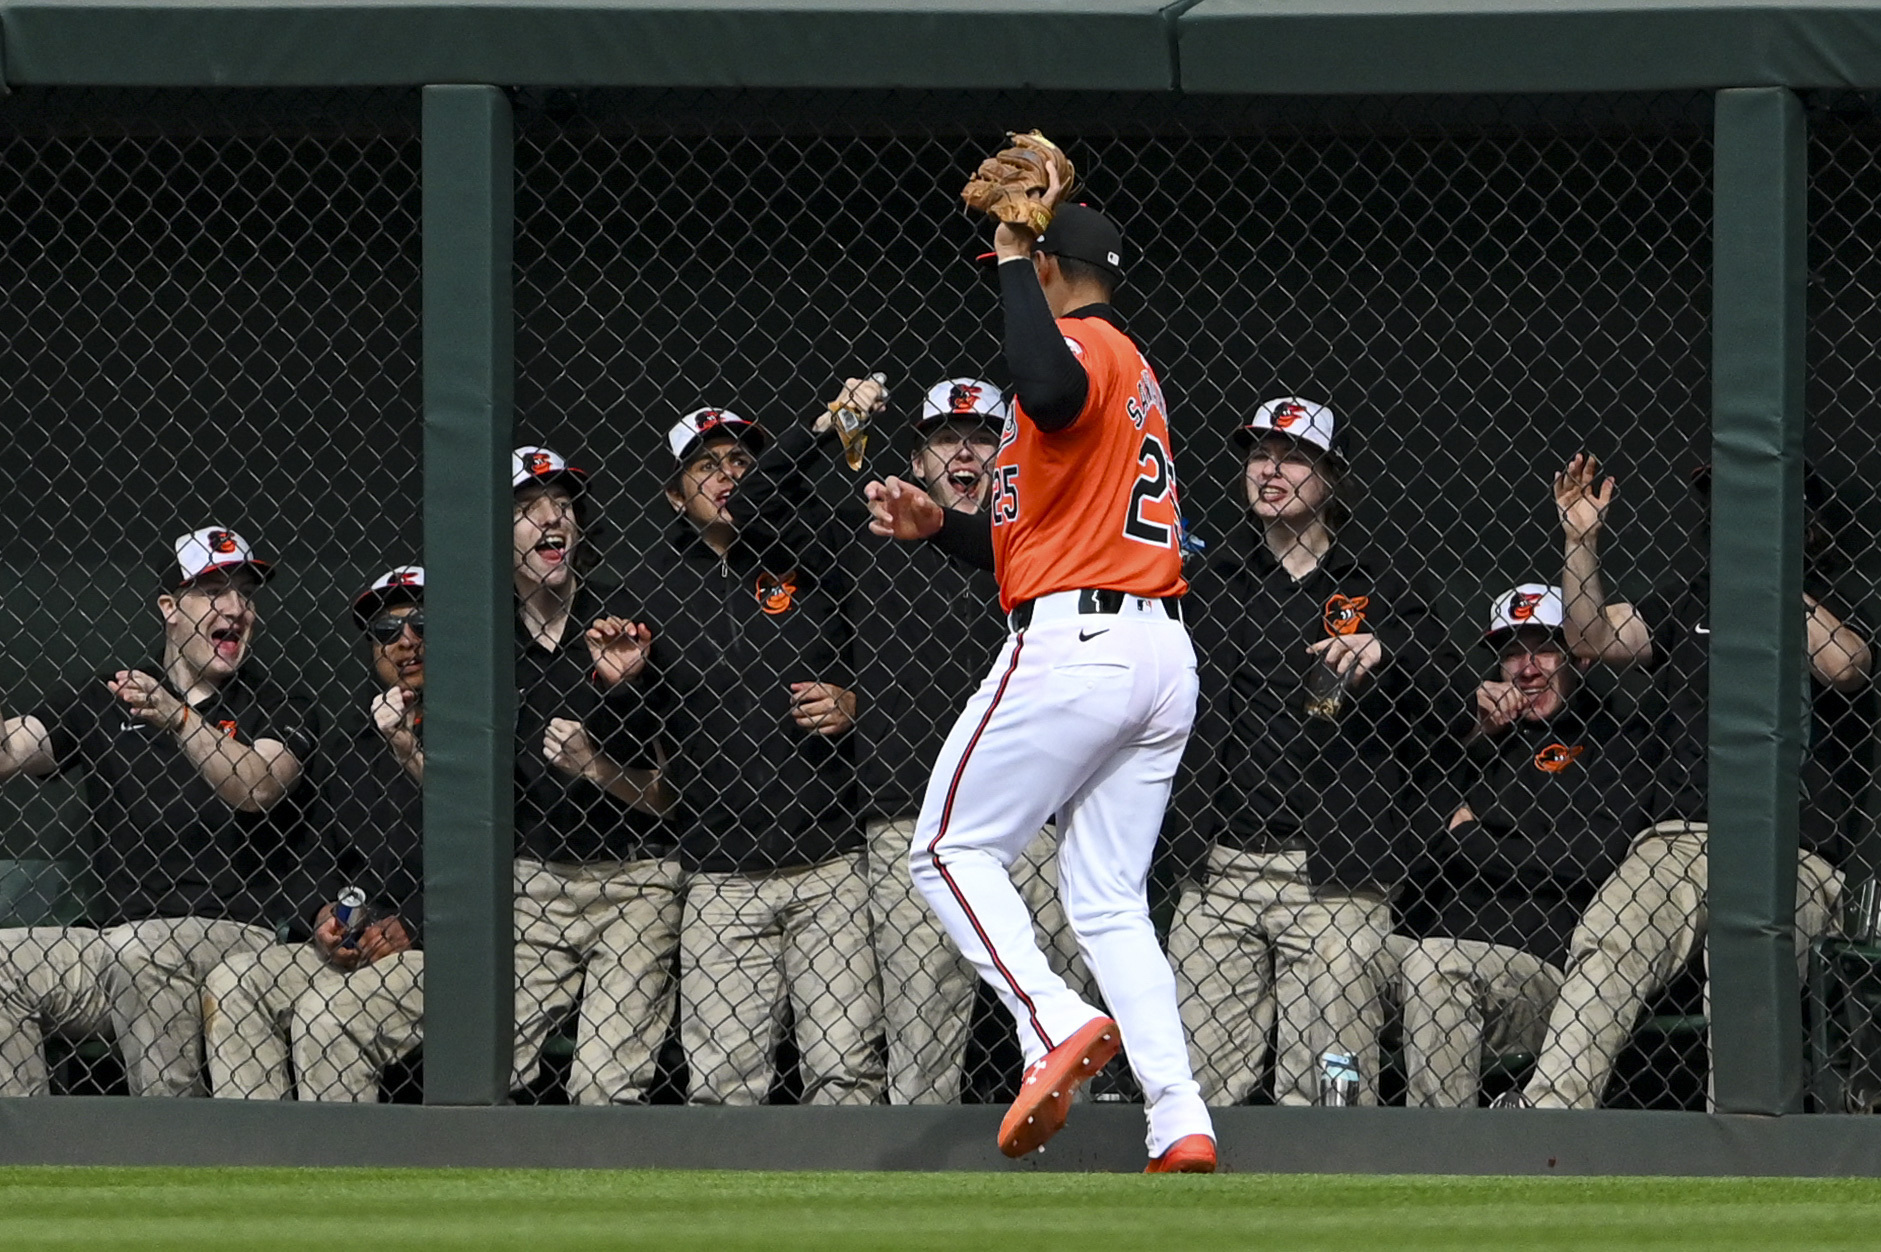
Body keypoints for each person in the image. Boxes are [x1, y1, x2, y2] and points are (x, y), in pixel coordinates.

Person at [866, 201, 1214, 1171]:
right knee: (1106, 895)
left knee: (942, 850)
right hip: (1156, 652)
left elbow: (1046, 385)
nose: (1008, 278)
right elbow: (1036, 541)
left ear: (1053, 268)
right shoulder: (1131, 371)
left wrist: (1017, 262)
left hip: (1081, 648)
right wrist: (941, 528)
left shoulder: (1084, 348)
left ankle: (1052, 1017)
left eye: (1020, 266)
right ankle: (1180, 1117)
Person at [730, 375, 1096, 1105]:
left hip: (1033, 820)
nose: (964, 451)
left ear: (1011, 452)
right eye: (944, 438)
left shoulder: (1042, 540)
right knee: (920, 1044)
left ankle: (1073, 1171)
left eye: (984, 436)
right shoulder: (873, 533)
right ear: (918, 458)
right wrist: (830, 424)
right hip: (912, 818)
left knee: (1060, 1027)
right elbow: (751, 509)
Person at [1509, 455, 1871, 1108]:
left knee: (1746, 968)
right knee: (1610, 934)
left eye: (1756, 505)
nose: (1735, 517)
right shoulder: (1691, 597)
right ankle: (1548, 1119)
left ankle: (1740, 1133)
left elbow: (1844, 665)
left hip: (1789, 849)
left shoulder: (1833, 595)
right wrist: (1580, 540)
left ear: (1800, 522)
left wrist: (1771, 575)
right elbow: (1587, 634)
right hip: (1678, 838)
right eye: (1726, 503)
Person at [1163, 398, 1451, 1108]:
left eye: (1291, 456)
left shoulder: (1382, 579)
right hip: (1219, 864)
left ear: (1332, 476)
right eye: (1257, 454)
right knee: (1194, 1091)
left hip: (1332, 874)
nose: (1269, 469)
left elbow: (1450, 703)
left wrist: (1390, 652)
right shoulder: (1208, 580)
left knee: (1330, 1091)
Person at [0, 527, 319, 1096]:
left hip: (236, 939)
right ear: (171, 608)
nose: (237, 608)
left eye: (246, 592)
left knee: (143, 947)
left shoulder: (279, 702)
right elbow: (20, 744)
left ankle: (173, 1139)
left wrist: (179, 719)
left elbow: (259, 787)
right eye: (213, 591)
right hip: (115, 948)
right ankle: (31, 1151)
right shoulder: (109, 693)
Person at [630, 407, 884, 1106]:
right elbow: (628, 737)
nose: (727, 477)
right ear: (674, 494)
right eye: (706, 467)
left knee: (846, 1074)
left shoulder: (812, 554)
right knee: (720, 1089)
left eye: (740, 463)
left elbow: (896, 661)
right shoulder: (648, 588)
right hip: (719, 871)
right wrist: (617, 684)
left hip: (828, 857)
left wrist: (856, 703)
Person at [1342, 584, 1648, 1106]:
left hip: (1538, 974)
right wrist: (1468, 745)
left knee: (1438, 966)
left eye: (1544, 648)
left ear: (1577, 652)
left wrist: (1470, 839)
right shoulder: (1473, 743)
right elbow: (1405, 849)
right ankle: (1335, 1129)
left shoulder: (1616, 736)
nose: (1526, 668)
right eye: (1510, 653)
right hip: (1430, 955)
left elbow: (1590, 859)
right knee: (1339, 952)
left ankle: (1439, 1157)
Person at [204, 566, 427, 1100]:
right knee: (232, 984)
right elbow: (310, 855)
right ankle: (259, 1167)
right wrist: (324, 915)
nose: (406, 642)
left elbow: (505, 857)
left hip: (448, 948)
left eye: (421, 623)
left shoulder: (489, 727)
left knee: (325, 1020)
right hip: (359, 943)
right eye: (386, 632)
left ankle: (337, 1176)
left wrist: (414, 925)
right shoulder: (353, 748)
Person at [509, 445, 683, 1104]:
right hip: (530, 883)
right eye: (528, 510)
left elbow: (673, 798)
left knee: (603, 1089)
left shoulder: (628, 622)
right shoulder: (482, 637)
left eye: (563, 507)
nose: (551, 520)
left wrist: (596, 767)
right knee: (486, 1070)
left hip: (634, 878)